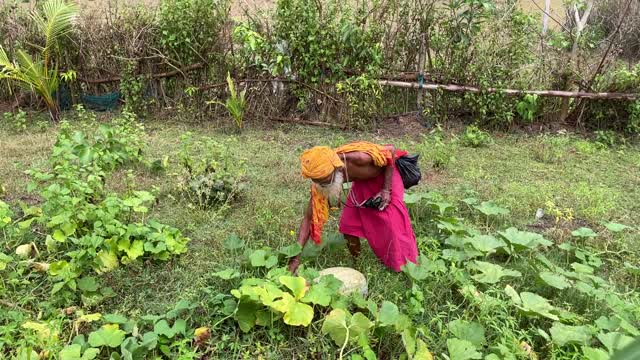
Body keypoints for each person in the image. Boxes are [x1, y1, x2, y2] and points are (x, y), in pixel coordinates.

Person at [287, 141, 418, 273]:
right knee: (348, 226)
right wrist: (295, 259)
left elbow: (391, 150)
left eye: (326, 181)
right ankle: (358, 262)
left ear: (336, 168)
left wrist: (385, 190)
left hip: (386, 178)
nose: (321, 186)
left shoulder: (360, 158)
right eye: (317, 182)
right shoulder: (320, 177)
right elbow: (308, 218)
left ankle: (404, 268)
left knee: (393, 225)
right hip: (362, 182)